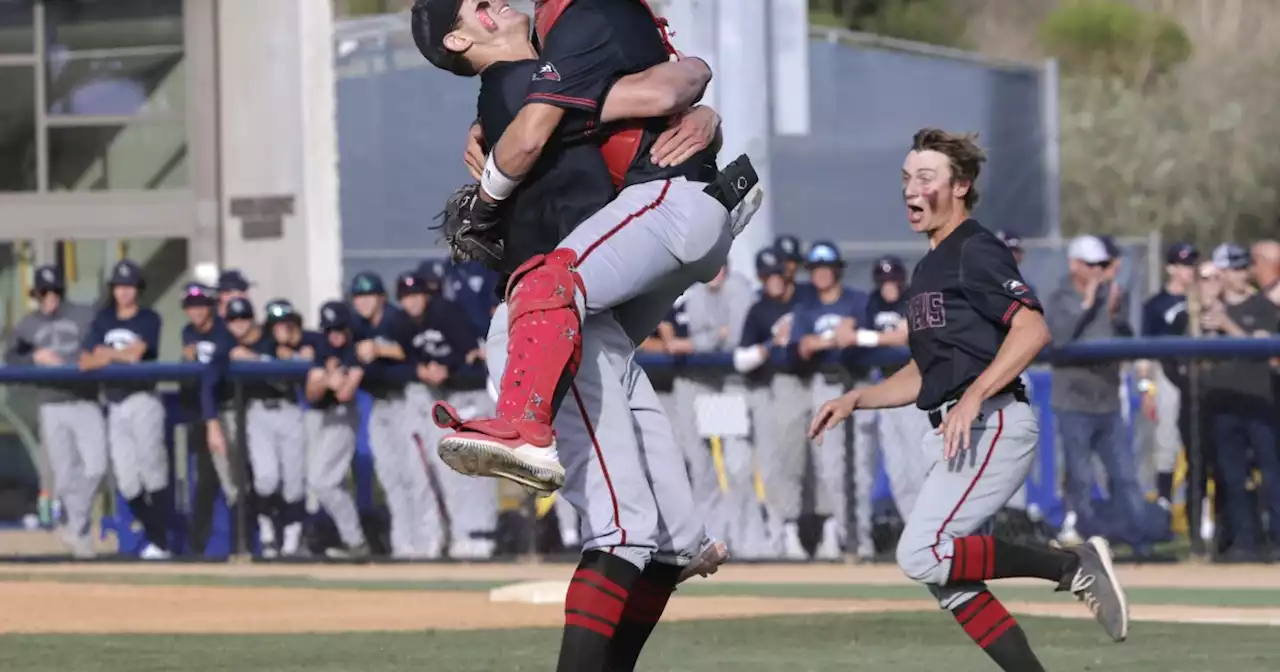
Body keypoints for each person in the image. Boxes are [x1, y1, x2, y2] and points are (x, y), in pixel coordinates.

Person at [414, 1, 747, 669]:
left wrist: (701, 112)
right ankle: (520, 424)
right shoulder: (517, 86)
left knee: (668, 545)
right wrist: (695, 77)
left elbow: (654, 103)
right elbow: (653, 90)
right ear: (458, 38)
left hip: (581, 322)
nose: (496, 2)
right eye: (477, 6)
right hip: (543, 328)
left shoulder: (539, 80)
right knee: (623, 530)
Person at [810, 128, 1127, 671]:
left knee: (921, 554)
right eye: (907, 177)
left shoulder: (976, 249)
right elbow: (924, 371)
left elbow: (1031, 330)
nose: (912, 187)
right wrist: (858, 399)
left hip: (995, 422)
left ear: (961, 186)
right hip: (962, 428)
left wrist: (975, 395)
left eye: (926, 177)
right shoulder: (929, 265)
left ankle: (1069, 565)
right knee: (948, 579)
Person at [1044, 235, 1147, 553]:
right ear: (1075, 265)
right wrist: (1087, 304)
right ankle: (1088, 542)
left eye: (1103, 265)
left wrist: (1116, 314)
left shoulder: (1114, 295)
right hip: (1073, 400)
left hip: (1108, 399)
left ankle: (1137, 540)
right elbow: (1058, 338)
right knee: (1081, 476)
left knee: (1124, 474)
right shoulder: (1058, 298)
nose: (1099, 271)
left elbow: (1128, 338)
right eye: (1093, 265)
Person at [398, 270, 498, 559]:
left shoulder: (448, 313)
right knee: (452, 470)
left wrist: (448, 366)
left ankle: (481, 535)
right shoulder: (404, 323)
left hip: (476, 394)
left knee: (476, 468)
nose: (412, 301)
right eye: (406, 296)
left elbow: (469, 352)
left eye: (417, 294)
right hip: (450, 399)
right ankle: (464, 535)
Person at [669, 264, 767, 557]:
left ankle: (750, 540)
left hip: (735, 383)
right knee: (702, 469)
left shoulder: (738, 287)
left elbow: (733, 338)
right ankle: (712, 539)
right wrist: (710, 337)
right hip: (702, 383)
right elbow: (707, 336)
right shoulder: (694, 290)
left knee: (737, 465)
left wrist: (695, 343)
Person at [7, 265, 101, 557]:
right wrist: (34, 356)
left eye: (55, 291)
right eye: (43, 292)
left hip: (85, 399)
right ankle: (79, 534)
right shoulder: (28, 325)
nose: (50, 297)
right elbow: (11, 356)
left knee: (98, 466)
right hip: (50, 403)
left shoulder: (83, 316)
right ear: (35, 294)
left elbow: (102, 343)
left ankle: (74, 526)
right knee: (64, 473)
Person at [79, 260, 170, 560]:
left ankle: (161, 542)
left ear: (138, 289)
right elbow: (85, 362)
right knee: (128, 479)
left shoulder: (148, 318)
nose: (124, 292)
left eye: (129, 286)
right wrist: (114, 356)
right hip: (114, 403)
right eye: (119, 286)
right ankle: (157, 537)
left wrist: (107, 354)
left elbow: (137, 355)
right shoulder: (103, 319)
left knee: (152, 471)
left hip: (143, 399)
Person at [791, 240, 870, 560]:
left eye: (827, 268)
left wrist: (836, 337)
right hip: (824, 387)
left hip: (858, 386)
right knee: (831, 469)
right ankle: (843, 535)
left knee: (861, 468)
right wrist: (829, 339)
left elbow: (862, 335)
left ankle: (862, 539)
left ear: (837, 270)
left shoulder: (857, 300)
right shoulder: (806, 307)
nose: (821, 274)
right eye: (816, 269)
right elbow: (802, 347)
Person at [349, 271, 434, 559]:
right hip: (379, 404)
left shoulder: (397, 319)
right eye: (358, 296)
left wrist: (381, 349)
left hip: (408, 401)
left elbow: (416, 349)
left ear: (381, 297)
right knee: (390, 477)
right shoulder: (358, 326)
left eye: (369, 295)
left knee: (416, 475)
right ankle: (403, 543)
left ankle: (429, 542)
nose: (363, 301)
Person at [1203, 243, 1280, 561]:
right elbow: (1199, 353)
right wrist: (1206, 310)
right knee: (1231, 477)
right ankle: (1244, 543)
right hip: (1222, 402)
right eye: (1228, 269)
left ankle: (1276, 541)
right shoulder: (1210, 308)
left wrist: (1226, 324)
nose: (1235, 275)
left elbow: (1261, 348)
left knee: (1271, 472)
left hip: (1258, 401)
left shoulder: (1262, 305)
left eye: (1239, 267)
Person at [732, 246, 806, 558]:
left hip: (810, 382)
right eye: (766, 275)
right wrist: (769, 346)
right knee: (773, 463)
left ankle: (827, 531)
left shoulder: (805, 300)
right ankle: (784, 532)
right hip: (768, 389)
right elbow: (741, 359)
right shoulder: (759, 309)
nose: (773, 280)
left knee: (812, 465)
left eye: (777, 273)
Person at [224, 297, 307, 558]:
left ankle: (292, 540)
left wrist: (298, 354)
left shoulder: (305, 343)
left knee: (294, 482)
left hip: (290, 411)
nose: (281, 328)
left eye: (286, 323)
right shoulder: (257, 343)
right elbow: (233, 353)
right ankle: (269, 534)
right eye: (276, 323)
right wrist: (257, 356)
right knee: (266, 479)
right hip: (259, 412)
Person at [863, 255, 934, 522]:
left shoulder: (915, 299)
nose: (888, 285)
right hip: (884, 386)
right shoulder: (872, 303)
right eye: (884, 280)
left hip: (914, 387)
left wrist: (869, 338)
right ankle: (913, 527)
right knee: (897, 470)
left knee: (921, 463)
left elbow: (908, 336)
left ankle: (931, 527)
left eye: (893, 279)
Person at [180, 282, 242, 556]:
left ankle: (242, 545)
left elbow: (213, 375)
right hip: (201, 416)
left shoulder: (223, 331)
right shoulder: (187, 333)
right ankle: (196, 548)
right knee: (204, 482)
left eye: (201, 304)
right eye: (191, 305)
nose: (196, 310)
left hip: (228, 410)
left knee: (234, 482)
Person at [304, 301, 370, 558]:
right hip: (320, 417)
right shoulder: (322, 346)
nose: (335, 334)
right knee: (325, 481)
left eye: (340, 328)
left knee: (322, 482)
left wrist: (330, 382)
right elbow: (311, 393)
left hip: (343, 418)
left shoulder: (354, 349)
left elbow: (345, 393)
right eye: (330, 329)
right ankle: (353, 541)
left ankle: (356, 541)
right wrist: (326, 382)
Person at [1138, 243, 1199, 512]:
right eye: (1184, 264)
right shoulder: (1155, 305)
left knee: (1200, 440)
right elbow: (1144, 352)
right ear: (1171, 267)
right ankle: (1164, 500)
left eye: (1192, 264)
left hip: (1199, 375)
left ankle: (1199, 506)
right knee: (1166, 439)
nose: (1189, 270)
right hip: (1167, 373)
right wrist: (1145, 388)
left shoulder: (1202, 297)